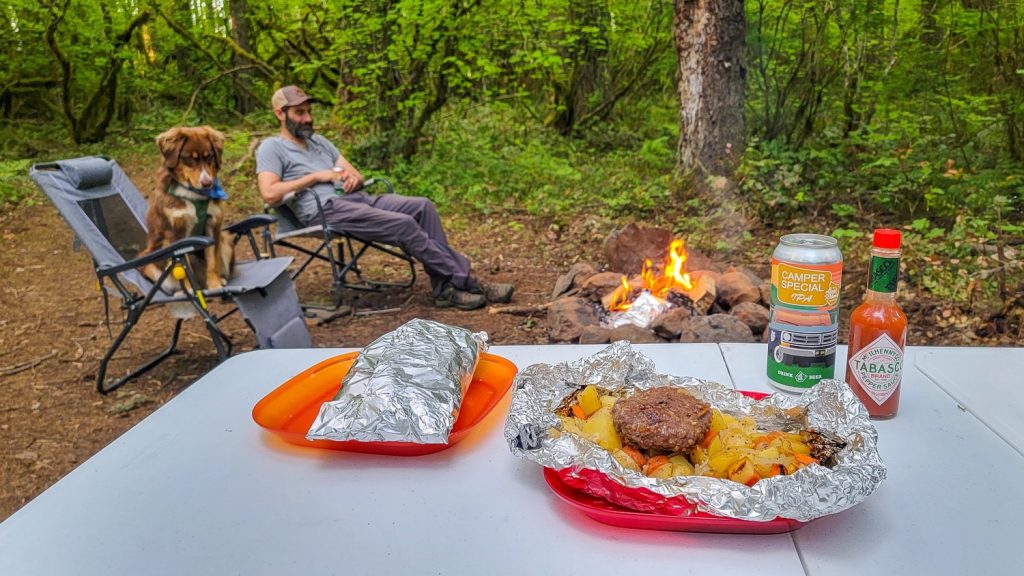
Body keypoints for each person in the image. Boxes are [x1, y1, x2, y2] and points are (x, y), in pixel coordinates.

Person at [256, 86, 513, 310]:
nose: (308, 118)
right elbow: (269, 192)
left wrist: (352, 179)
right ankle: (469, 281)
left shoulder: (320, 143)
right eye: (299, 113)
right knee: (403, 224)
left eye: (309, 111)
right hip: (325, 209)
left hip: (357, 200)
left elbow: (354, 172)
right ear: (281, 114)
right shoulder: (272, 147)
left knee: (422, 206)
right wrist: (316, 177)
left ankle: (444, 288)